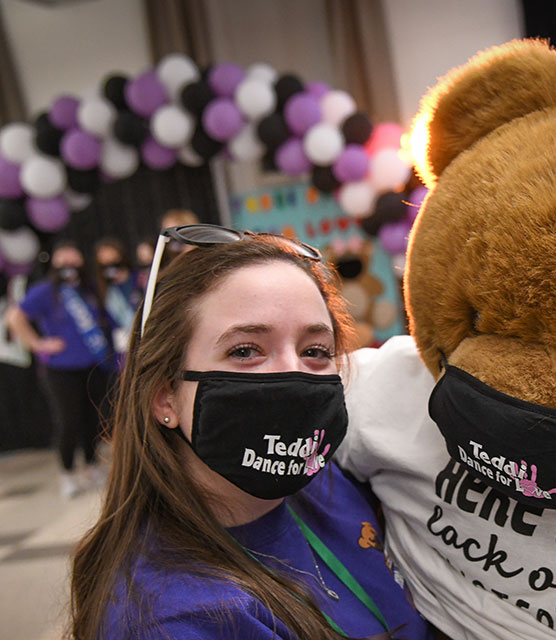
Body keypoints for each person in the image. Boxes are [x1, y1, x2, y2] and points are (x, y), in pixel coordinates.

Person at [70, 225, 433, 640]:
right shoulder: (175, 621)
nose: (293, 373)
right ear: (164, 397)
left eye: (315, 350)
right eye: (245, 351)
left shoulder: (326, 480)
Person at [4, 239, 111, 498]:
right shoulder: (46, 291)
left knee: (92, 418)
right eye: (63, 262)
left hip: (92, 365)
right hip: (60, 370)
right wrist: (37, 343)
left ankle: (91, 467)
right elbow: (14, 317)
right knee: (69, 421)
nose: (69, 267)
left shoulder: (89, 290)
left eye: (74, 261)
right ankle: (67, 474)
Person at [94, 237, 142, 358]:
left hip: (147, 339)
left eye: (114, 260)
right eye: (104, 263)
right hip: (124, 351)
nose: (110, 266)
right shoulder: (103, 290)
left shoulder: (140, 279)